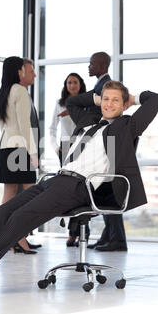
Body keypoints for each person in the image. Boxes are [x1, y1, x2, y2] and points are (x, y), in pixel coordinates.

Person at [0, 80, 158, 295]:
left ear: (124, 105)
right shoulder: (88, 121)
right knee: (0, 213)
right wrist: (100, 96)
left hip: (80, 186)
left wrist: (132, 98)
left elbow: (156, 100)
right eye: (105, 99)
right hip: (55, 180)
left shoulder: (126, 126)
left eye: (115, 100)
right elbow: (72, 101)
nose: (109, 104)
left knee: (20, 217)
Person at [74, 51, 128, 251]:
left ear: (102, 65)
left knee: (107, 191)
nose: (89, 67)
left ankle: (117, 239)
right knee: (105, 192)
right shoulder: (100, 86)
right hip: (105, 145)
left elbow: (99, 117)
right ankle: (110, 236)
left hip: (104, 146)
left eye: (91, 63)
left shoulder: (104, 87)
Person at [0, 56, 41, 254]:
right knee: (31, 195)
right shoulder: (20, 91)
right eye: (23, 68)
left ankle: (5, 236)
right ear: (17, 71)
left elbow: (4, 125)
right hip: (20, 148)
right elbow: (25, 125)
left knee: (10, 195)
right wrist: (33, 153)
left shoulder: (3, 92)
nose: (26, 71)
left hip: (6, 147)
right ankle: (18, 237)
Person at [49, 73, 88, 247]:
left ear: (81, 84)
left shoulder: (87, 103)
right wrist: (55, 147)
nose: (72, 85)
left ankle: (80, 233)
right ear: (65, 85)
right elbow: (51, 128)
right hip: (65, 148)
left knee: (82, 190)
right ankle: (73, 233)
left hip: (83, 147)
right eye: (69, 82)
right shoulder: (60, 104)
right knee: (68, 191)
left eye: (75, 82)